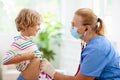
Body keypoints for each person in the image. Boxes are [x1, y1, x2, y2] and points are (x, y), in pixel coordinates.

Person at [41, 8, 120, 80]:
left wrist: (53, 73)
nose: (71, 28)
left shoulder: (96, 49)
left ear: (87, 28)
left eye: (74, 25)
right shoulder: (94, 43)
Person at [2, 8, 43, 80]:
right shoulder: (19, 42)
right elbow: (5, 60)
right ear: (28, 24)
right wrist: (26, 57)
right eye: (38, 24)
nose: (40, 28)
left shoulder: (29, 42)